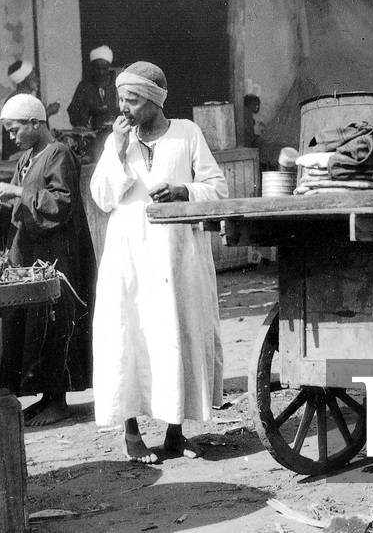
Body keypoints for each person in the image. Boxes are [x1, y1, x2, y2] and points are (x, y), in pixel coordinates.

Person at [89, 61, 227, 463]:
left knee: (176, 330)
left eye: (132, 100)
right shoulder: (119, 142)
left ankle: (175, 431)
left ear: (154, 101)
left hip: (177, 256)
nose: (124, 108)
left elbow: (217, 189)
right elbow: (102, 197)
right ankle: (131, 432)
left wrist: (184, 189)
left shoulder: (187, 133)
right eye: (121, 99)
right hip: (129, 255)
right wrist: (115, 153)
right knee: (128, 334)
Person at [0, 94, 95, 427]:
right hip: (31, 254)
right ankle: (44, 396)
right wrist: (2, 201)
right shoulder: (27, 157)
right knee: (33, 323)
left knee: (55, 322)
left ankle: (58, 400)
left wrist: (18, 193)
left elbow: (61, 204)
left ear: (35, 123)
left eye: (14, 129)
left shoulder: (59, 154)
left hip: (56, 255)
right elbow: (30, 201)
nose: (11, 137)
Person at [1, 60, 60, 161]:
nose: (37, 79)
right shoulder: (18, 99)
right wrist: (48, 112)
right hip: (19, 154)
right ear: (26, 79)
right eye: (34, 75)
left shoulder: (24, 98)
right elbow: (26, 129)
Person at [67, 45, 119, 131]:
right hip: (92, 133)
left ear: (109, 68)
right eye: (97, 68)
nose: (101, 72)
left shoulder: (117, 84)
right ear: (92, 68)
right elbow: (73, 109)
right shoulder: (85, 85)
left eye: (104, 69)